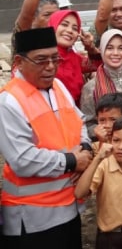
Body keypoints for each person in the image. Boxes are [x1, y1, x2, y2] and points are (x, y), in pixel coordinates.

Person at [0, 27, 93, 247]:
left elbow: (79, 123)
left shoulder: (58, 87)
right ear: (19, 62)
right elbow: (22, 160)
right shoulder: (9, 102)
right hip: (32, 216)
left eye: (54, 58)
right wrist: (72, 162)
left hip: (69, 206)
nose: (50, 66)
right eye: (41, 60)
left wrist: (87, 150)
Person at [74, 114, 122, 249]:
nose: (121, 147)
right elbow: (79, 193)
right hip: (110, 238)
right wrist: (98, 158)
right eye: (116, 140)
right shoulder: (105, 165)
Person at [80, 29, 122, 133]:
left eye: (121, 48)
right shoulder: (91, 87)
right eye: (109, 48)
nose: (116, 53)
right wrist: (102, 130)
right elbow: (87, 125)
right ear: (102, 50)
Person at [49, 9, 101, 104]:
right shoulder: (41, 58)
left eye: (75, 28)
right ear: (52, 26)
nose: (69, 30)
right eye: (64, 24)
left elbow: (99, 64)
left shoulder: (75, 58)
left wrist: (90, 47)